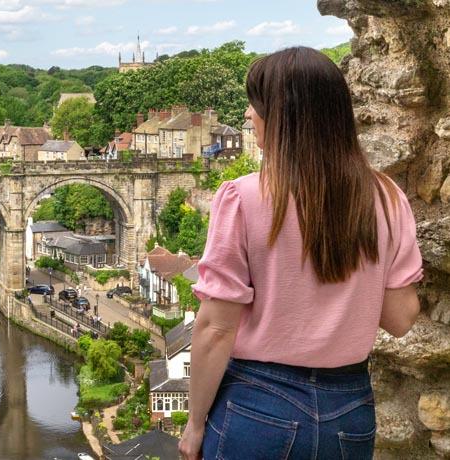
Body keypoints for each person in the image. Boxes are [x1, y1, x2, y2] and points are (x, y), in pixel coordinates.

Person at [178, 47, 422, 460]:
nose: (247, 115)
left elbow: (216, 329)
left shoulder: (242, 197)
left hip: (258, 405)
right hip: (349, 410)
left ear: (283, 116)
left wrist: (195, 425)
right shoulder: (386, 198)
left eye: (255, 104)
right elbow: (400, 319)